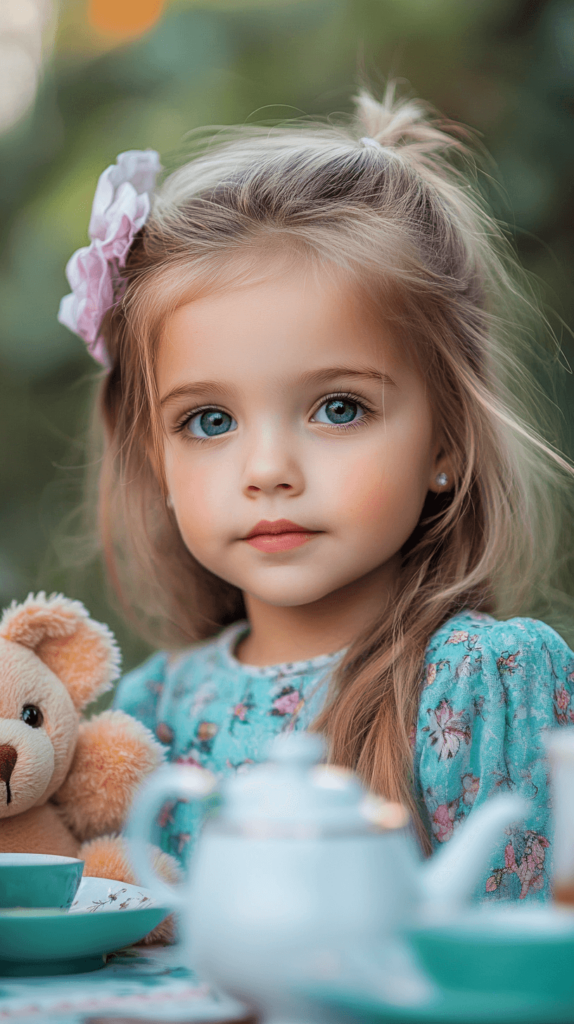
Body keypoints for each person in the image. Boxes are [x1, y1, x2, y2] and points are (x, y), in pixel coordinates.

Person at [58, 84, 574, 903]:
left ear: (446, 440)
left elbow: (527, 967)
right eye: (208, 419)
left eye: (339, 408)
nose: (268, 469)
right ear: (154, 456)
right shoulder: (154, 710)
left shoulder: (484, 680)